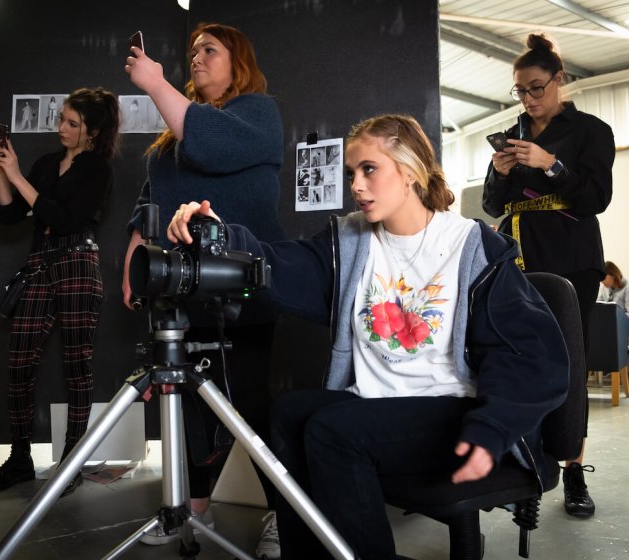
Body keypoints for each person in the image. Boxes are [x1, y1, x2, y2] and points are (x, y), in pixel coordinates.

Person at [167, 113, 570, 560]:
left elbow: (532, 352)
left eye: (369, 170)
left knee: (332, 431)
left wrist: (492, 428)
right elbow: (277, 263)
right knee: (289, 413)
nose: (356, 185)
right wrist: (218, 236)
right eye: (351, 174)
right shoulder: (350, 241)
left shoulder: (473, 248)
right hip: (379, 402)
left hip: (455, 408)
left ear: (412, 170)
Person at [123, 22, 283, 556]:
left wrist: (154, 83)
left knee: (251, 410)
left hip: (241, 288)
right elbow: (148, 201)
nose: (196, 58)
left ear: (237, 61)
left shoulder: (258, 112)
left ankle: (286, 518)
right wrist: (132, 265)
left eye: (208, 50)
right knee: (184, 406)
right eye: (192, 51)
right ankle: (188, 511)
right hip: (180, 290)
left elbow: (211, 145)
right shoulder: (174, 133)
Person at [482, 33, 615, 519]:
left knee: (570, 364)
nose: (529, 99)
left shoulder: (591, 131)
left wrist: (552, 165)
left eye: (536, 87)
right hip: (518, 254)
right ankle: (527, 468)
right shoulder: (514, 133)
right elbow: (494, 205)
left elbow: (596, 198)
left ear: (559, 79)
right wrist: (498, 172)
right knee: (520, 359)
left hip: (572, 257)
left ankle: (575, 472)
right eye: (520, 90)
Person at [0, 87, 120, 496]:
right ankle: (21, 458)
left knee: (77, 366)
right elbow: (9, 214)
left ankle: (70, 464)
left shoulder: (98, 170)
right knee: (19, 362)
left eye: (72, 123)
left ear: (92, 131)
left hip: (78, 262)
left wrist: (20, 178)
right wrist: (2, 172)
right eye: (62, 119)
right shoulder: (45, 165)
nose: (61, 127)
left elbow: (64, 219)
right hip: (40, 263)